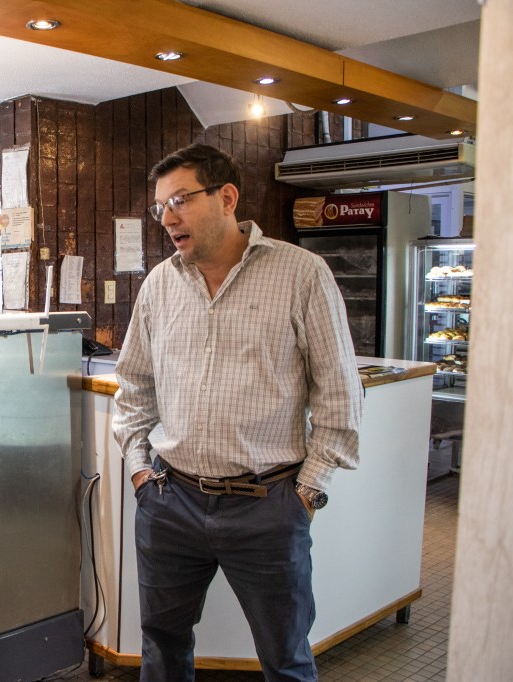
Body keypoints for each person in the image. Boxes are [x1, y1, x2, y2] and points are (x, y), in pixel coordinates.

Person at [113, 143, 363, 682]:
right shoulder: (159, 284)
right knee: (161, 646)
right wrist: (139, 471)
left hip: (268, 505)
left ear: (227, 198)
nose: (167, 218)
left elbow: (340, 394)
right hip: (170, 500)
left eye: (180, 199)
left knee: (286, 658)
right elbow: (133, 386)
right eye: (160, 206)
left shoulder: (301, 273)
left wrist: (306, 494)